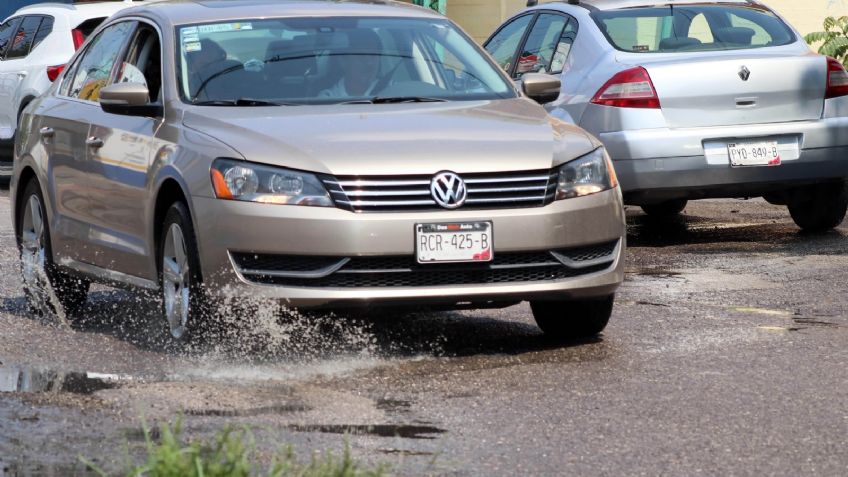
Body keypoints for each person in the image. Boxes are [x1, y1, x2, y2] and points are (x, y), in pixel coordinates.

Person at [319, 29, 383, 98]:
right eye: (361, 55)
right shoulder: (326, 99)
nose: (369, 62)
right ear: (343, 61)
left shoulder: (392, 91)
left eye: (373, 55)